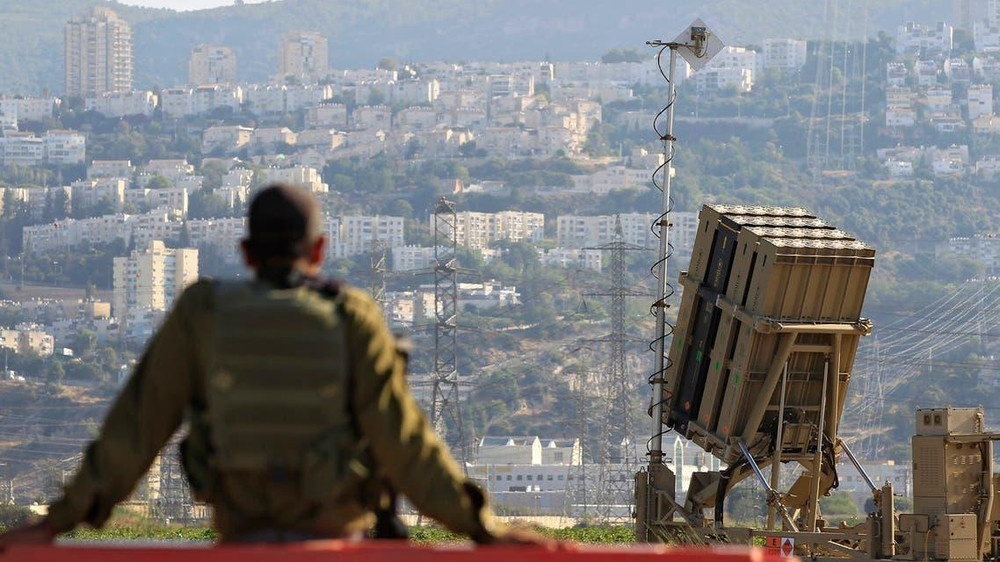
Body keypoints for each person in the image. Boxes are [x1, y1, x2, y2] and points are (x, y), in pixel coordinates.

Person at [0, 184, 537, 546]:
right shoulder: (352, 316)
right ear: (319, 250)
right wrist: (481, 529)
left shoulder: (203, 312)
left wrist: (56, 522)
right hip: (333, 536)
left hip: (240, 532)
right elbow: (403, 440)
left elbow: (136, 429)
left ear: (246, 252)